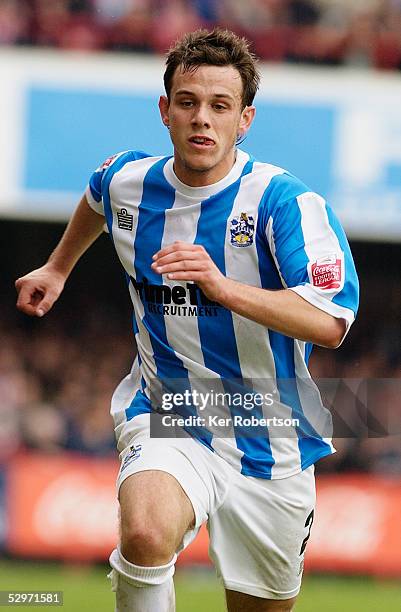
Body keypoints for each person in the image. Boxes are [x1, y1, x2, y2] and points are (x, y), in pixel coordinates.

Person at [15, 28, 359, 612]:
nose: (202, 118)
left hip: (270, 434)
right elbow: (99, 195)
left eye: (220, 106)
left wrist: (222, 287)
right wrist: (57, 267)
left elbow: (329, 321)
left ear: (244, 120)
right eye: (188, 102)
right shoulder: (132, 180)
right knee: (145, 533)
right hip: (167, 410)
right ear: (165, 110)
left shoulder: (285, 203)